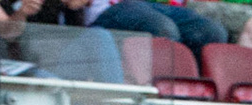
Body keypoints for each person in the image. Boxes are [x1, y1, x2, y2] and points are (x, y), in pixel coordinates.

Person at [89, 0, 228, 63]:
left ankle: (190, 96)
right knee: (162, 28)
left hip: (156, 6)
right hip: (109, 9)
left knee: (211, 31)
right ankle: (158, 95)